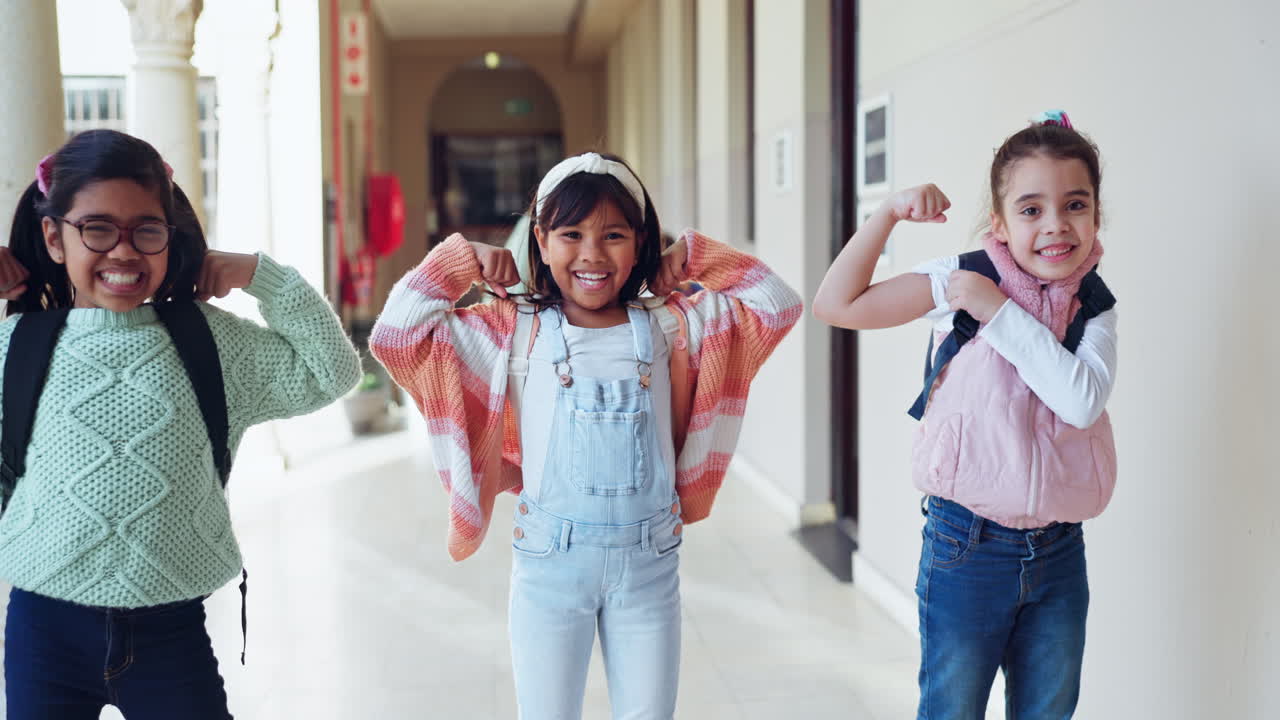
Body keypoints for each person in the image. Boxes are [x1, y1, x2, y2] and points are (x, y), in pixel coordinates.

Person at [370, 151, 801, 719]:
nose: (593, 254)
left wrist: (697, 259)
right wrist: (458, 263)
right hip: (550, 567)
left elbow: (777, 306)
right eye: (571, 233)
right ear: (542, 242)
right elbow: (396, 338)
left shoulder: (673, 324)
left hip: (649, 567)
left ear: (642, 242)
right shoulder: (513, 330)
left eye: (615, 235)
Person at [0, 129, 361, 719]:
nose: (123, 251)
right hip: (46, 628)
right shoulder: (16, 347)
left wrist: (261, 276)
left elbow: (330, 372)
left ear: (170, 237)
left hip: (170, 631)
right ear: (54, 236)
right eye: (96, 228)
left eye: (146, 230)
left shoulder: (207, 340)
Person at [813, 111, 1118, 719]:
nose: (1056, 226)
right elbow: (836, 304)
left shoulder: (1095, 305)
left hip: (1060, 554)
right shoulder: (961, 279)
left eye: (1075, 205)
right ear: (999, 223)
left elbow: (1081, 400)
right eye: (1031, 209)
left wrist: (999, 315)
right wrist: (888, 214)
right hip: (966, 546)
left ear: (1095, 215)